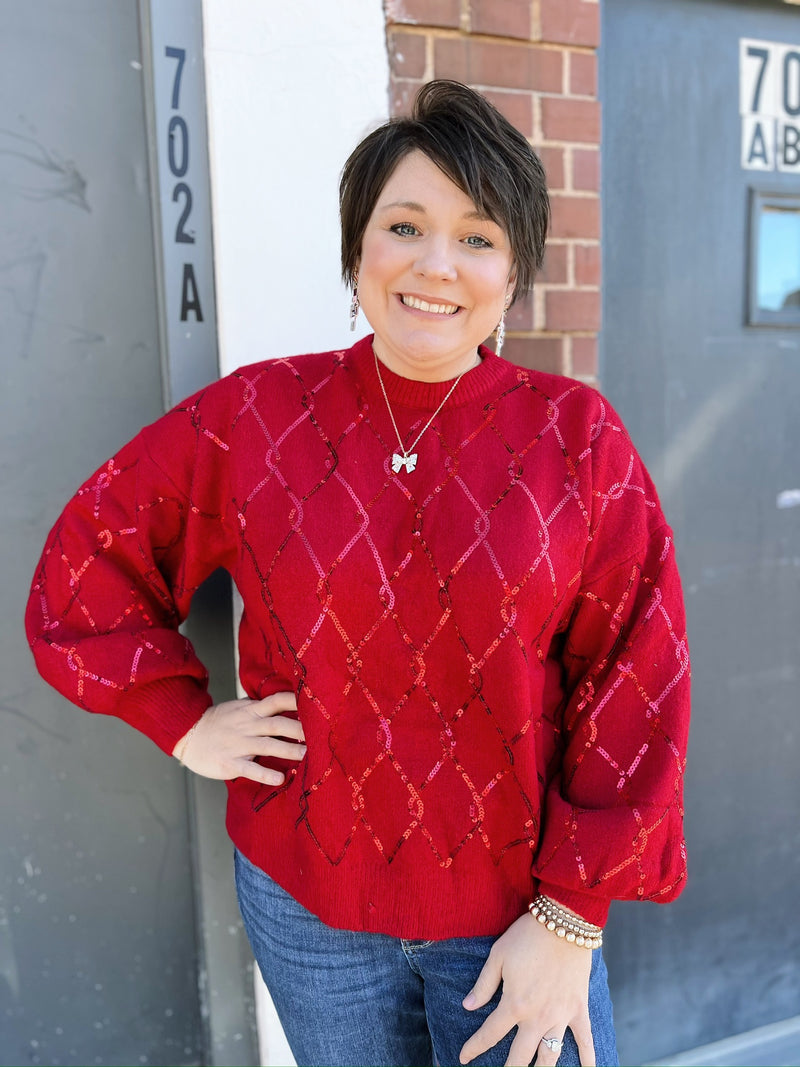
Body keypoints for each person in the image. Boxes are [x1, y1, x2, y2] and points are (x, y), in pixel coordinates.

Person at [26, 81, 690, 1067]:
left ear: (513, 273)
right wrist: (183, 719)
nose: (435, 264)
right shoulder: (257, 416)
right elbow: (90, 558)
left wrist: (570, 916)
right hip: (309, 909)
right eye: (404, 225)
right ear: (356, 249)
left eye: (476, 237)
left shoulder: (574, 437)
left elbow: (635, 678)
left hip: (517, 918)